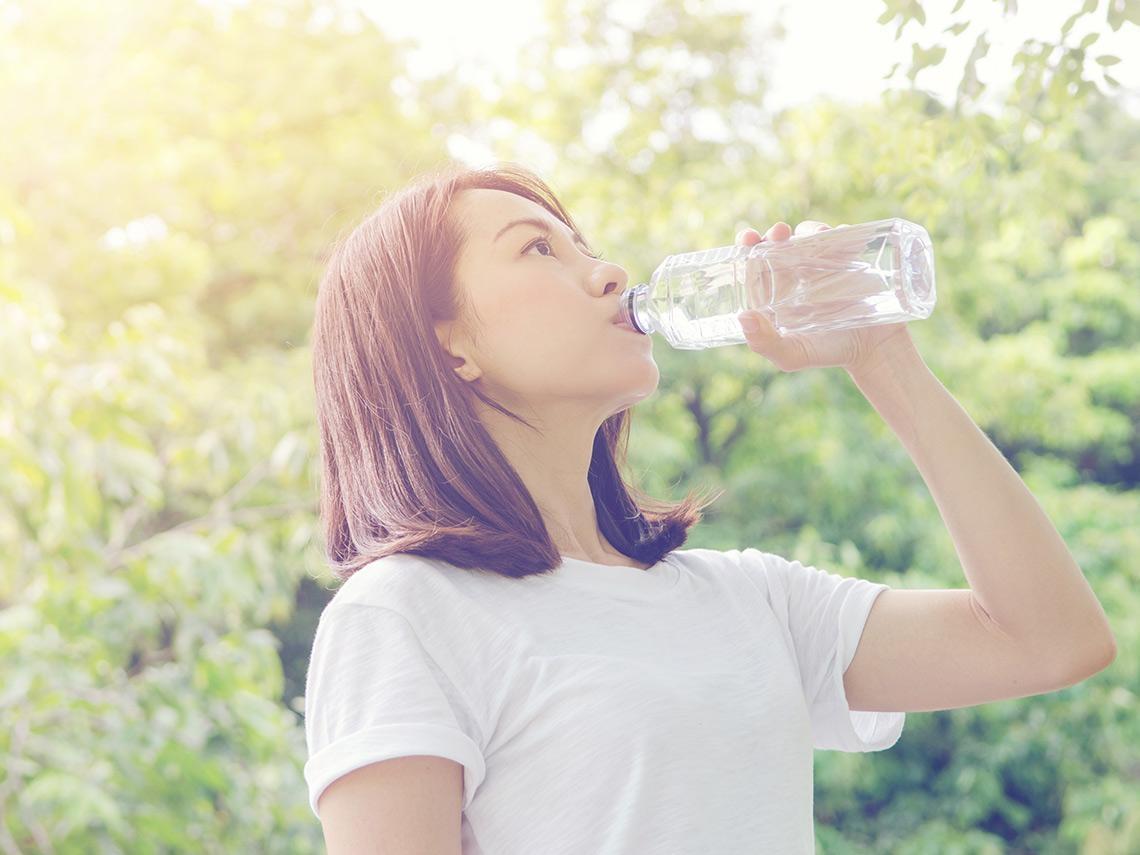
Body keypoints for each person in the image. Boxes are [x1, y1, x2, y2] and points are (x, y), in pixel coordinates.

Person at [302, 162, 1116, 853]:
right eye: (538, 249)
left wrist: (880, 351)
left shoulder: (746, 598)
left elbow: (1050, 639)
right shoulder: (406, 614)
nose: (609, 271)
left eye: (583, 244)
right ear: (449, 342)